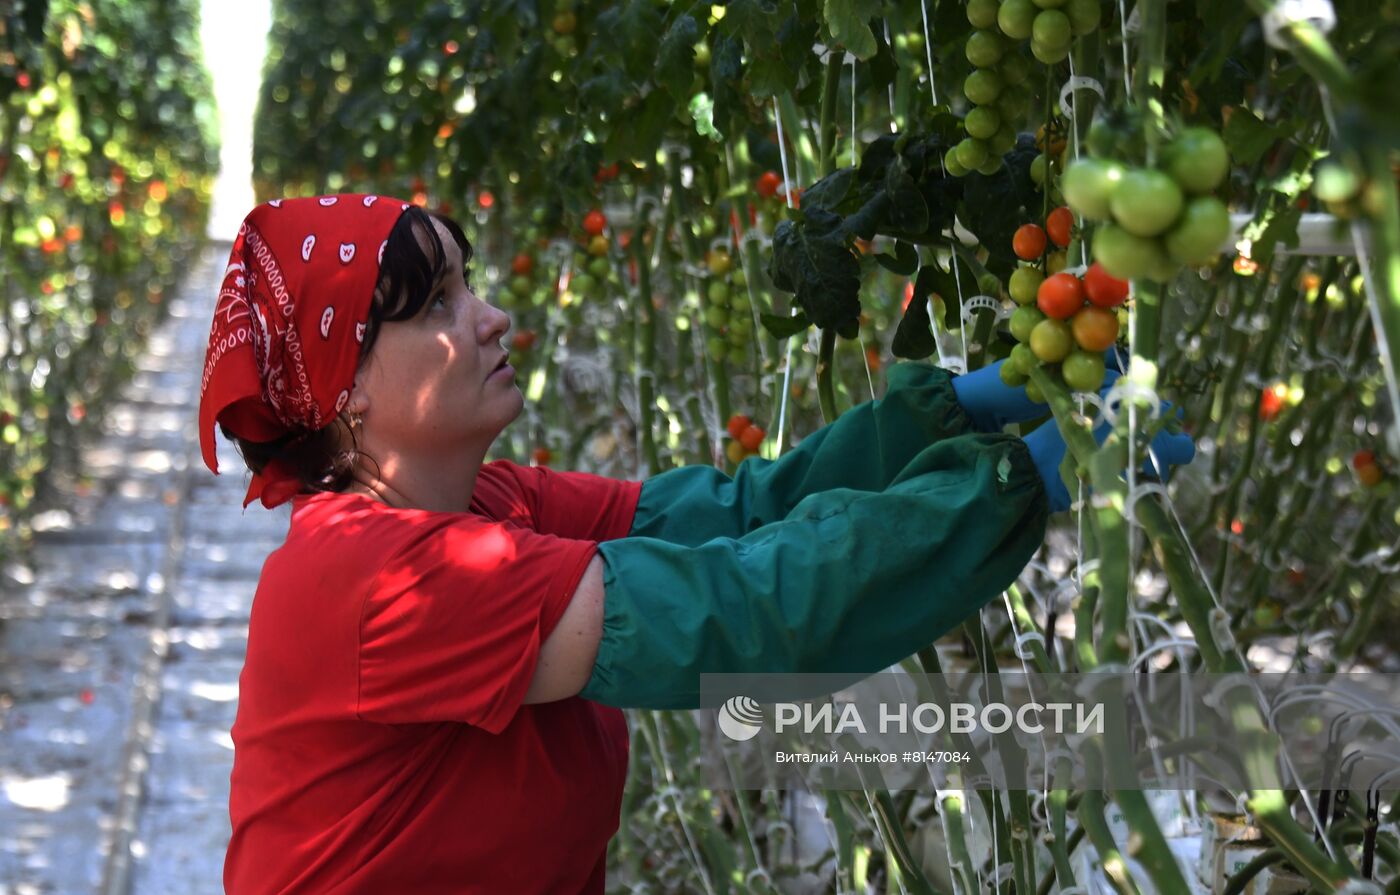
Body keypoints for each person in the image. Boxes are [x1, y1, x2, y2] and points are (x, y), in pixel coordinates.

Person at [199, 194, 1195, 894]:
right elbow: (736, 616)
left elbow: (733, 513)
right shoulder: (383, 580)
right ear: (347, 384)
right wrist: (1016, 484)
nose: (493, 316)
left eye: (470, 284)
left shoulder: (485, 505)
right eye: (440, 304)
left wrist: (948, 419)